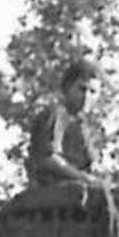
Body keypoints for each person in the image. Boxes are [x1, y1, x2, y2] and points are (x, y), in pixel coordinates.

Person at [26, 58, 102, 187]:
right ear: (67, 88)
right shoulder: (55, 115)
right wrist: (83, 177)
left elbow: (93, 165)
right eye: (82, 89)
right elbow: (48, 159)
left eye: (92, 92)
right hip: (53, 191)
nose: (86, 97)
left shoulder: (86, 128)